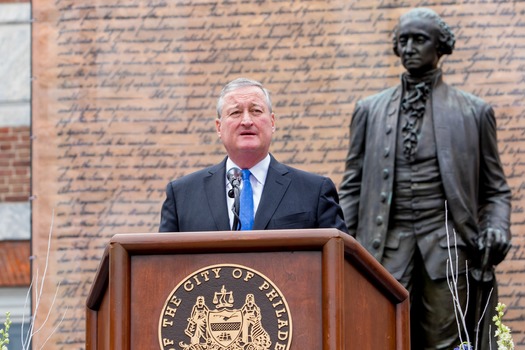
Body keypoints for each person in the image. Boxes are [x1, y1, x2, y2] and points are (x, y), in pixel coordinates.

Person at [338, 8, 512, 350]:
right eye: (403, 40)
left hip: (448, 251)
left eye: (420, 40)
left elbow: (495, 190)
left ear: (441, 46)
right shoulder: (368, 111)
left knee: (445, 344)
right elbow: (352, 187)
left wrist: (497, 227)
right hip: (383, 250)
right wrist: (342, 244)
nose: (409, 48)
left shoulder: (475, 112)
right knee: (379, 338)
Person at [159, 77, 347, 234]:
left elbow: (340, 263)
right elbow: (163, 267)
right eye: (235, 112)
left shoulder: (314, 192)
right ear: (219, 127)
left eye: (256, 111)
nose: (247, 121)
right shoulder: (182, 196)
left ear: (272, 122)